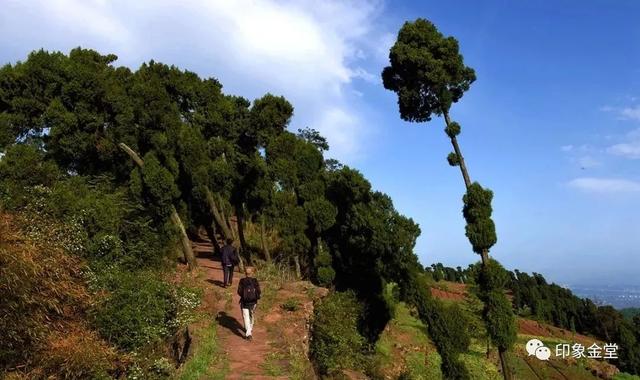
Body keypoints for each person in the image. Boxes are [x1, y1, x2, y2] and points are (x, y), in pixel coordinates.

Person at [237, 266, 261, 341]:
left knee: (246, 316)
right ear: (252, 273)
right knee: (251, 316)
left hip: (244, 302)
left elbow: (239, 291)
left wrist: (244, 296)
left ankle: (249, 334)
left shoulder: (242, 281)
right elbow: (258, 291)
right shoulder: (255, 281)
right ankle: (249, 330)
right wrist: (256, 299)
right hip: (253, 302)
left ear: (245, 273)